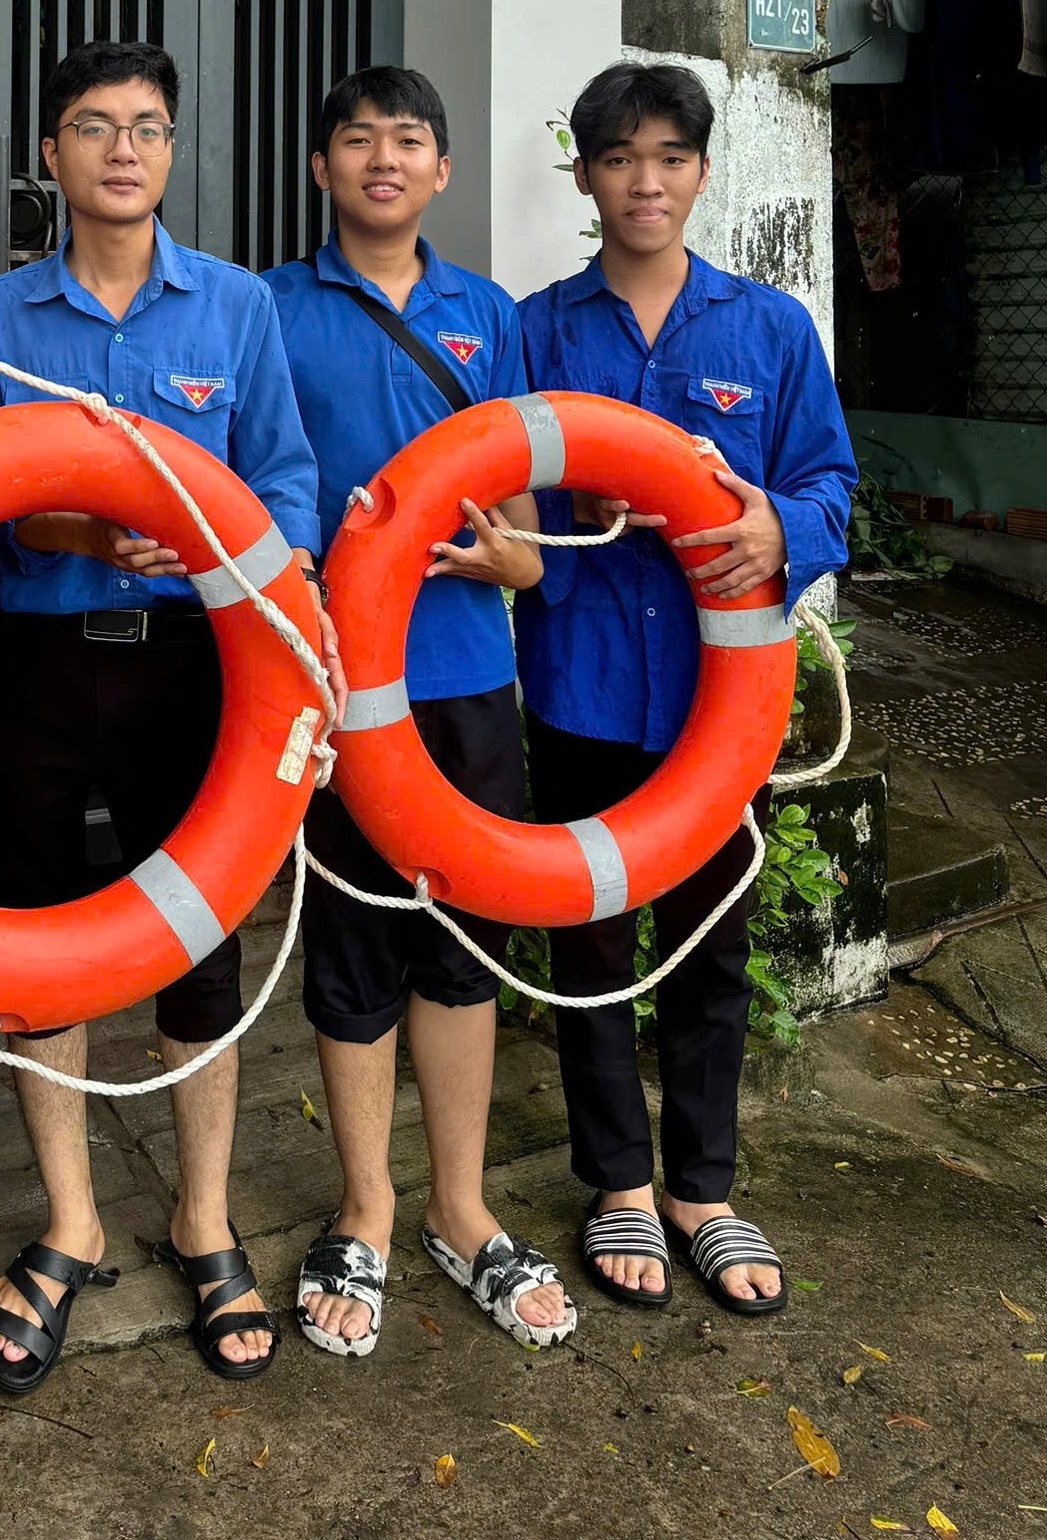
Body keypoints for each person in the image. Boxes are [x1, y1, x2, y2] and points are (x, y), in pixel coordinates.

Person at [0, 39, 339, 1391]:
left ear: (173, 153)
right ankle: (69, 1223)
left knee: (203, 943)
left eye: (149, 127)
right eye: (93, 127)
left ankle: (202, 1217)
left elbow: (286, 482)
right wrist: (89, 527)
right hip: (42, 662)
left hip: (194, 669)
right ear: (49, 156)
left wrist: (235, 554)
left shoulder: (234, 309)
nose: (125, 149)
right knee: (41, 942)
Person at [516, 63, 854, 1317]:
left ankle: (701, 1187)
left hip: (728, 698)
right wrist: (575, 499)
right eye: (617, 159)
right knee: (594, 942)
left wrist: (782, 529)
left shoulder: (767, 329)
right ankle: (614, 1180)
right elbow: (503, 485)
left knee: (712, 943)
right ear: (589, 176)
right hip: (586, 679)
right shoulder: (541, 326)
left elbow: (828, 483)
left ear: (702, 173)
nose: (643, 182)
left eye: (667, 157)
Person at [263, 66, 575, 1356]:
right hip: (333, 689)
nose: (383, 159)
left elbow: (527, 490)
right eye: (357, 139)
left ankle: (460, 1201)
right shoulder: (267, 308)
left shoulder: (486, 313)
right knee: (351, 943)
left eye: (409, 140)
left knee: (461, 948)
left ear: (443, 172)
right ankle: (367, 1205)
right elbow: (248, 488)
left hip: (462, 680)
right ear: (324, 168)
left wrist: (528, 562)